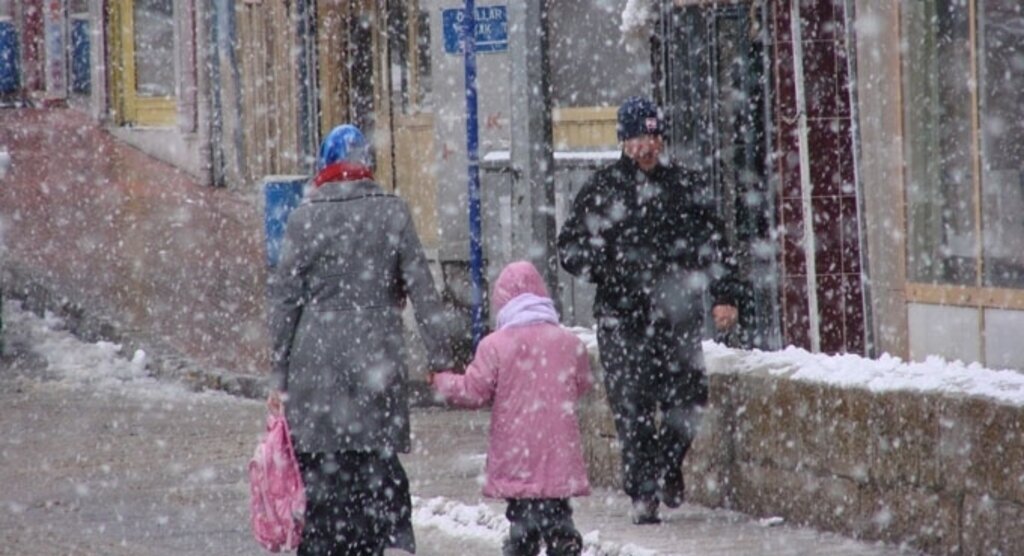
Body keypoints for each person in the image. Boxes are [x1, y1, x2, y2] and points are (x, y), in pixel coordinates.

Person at [266, 124, 453, 555]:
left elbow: (284, 303)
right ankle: (388, 540)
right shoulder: (393, 211)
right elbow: (423, 288)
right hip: (377, 359)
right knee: (377, 461)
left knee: (321, 474)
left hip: (315, 366)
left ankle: (328, 545)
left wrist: (279, 374)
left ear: (324, 166)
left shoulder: (304, 218)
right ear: (367, 164)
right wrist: (440, 357)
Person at [557, 96, 742, 525]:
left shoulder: (683, 186)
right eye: (639, 137)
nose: (647, 145)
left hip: (676, 317)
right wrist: (609, 267)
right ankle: (644, 494)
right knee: (633, 408)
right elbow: (570, 247)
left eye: (654, 136)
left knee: (690, 400)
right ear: (624, 140)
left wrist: (724, 295)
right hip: (622, 319)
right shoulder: (602, 190)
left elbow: (715, 245)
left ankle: (665, 467)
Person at [428, 261, 592, 556]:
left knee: (522, 511)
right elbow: (581, 383)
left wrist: (441, 381)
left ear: (503, 300)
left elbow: (473, 391)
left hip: (517, 450)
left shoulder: (495, 345)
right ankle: (562, 537)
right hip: (558, 447)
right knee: (557, 505)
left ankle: (523, 543)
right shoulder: (569, 342)